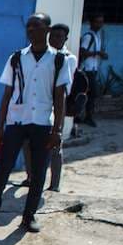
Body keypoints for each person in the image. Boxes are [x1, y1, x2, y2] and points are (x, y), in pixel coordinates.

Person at [0, 13, 70, 233]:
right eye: (29, 26)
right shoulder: (17, 58)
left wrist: (57, 130)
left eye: (37, 26)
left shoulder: (58, 60)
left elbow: (60, 99)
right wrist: (0, 127)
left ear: (47, 29)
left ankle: (29, 215)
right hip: (17, 120)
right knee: (4, 166)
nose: (31, 30)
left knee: (39, 170)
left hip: (42, 122)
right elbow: (6, 95)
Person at [48, 23, 81, 193]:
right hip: (43, 102)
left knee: (56, 142)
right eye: (52, 36)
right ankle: (30, 176)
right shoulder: (44, 54)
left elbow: (63, 85)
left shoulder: (69, 58)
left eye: (58, 36)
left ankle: (55, 183)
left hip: (59, 101)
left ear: (65, 38)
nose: (54, 39)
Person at [78, 13, 106, 127]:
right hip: (86, 69)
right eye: (97, 22)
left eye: (101, 22)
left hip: (92, 69)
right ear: (91, 23)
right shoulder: (89, 36)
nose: (99, 24)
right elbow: (82, 51)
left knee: (89, 94)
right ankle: (85, 117)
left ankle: (84, 116)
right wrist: (97, 53)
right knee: (91, 93)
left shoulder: (97, 36)